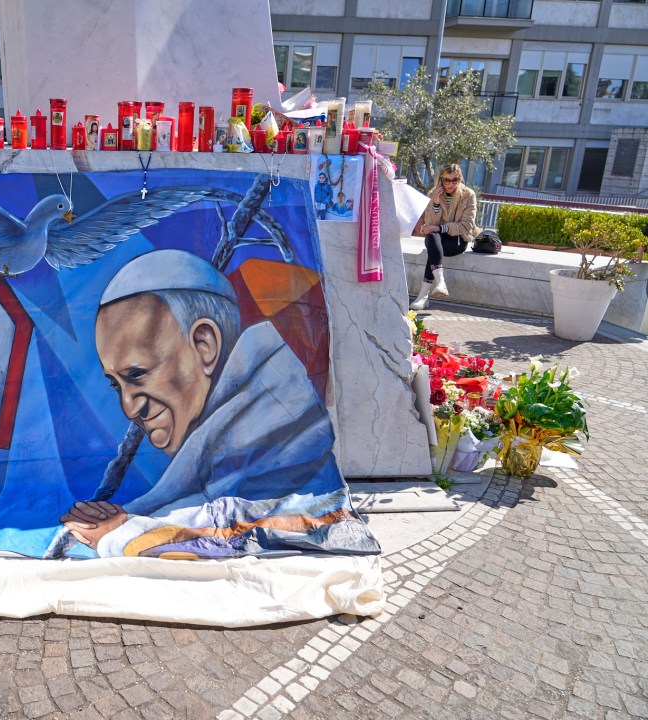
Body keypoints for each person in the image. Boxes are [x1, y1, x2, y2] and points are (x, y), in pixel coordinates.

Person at [59, 250, 379, 559]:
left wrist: (123, 536)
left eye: (138, 374)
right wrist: (130, 520)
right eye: (117, 384)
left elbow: (264, 520)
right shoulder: (227, 428)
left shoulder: (279, 418)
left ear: (205, 346)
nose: (130, 408)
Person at [410, 164, 479, 310]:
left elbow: (466, 225)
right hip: (437, 238)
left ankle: (423, 296)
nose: (451, 184)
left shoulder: (468, 195)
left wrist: (441, 228)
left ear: (460, 179)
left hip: (458, 240)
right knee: (432, 238)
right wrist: (435, 203)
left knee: (433, 249)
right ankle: (440, 282)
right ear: (441, 179)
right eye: (447, 180)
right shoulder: (433, 194)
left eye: (455, 180)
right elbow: (430, 224)